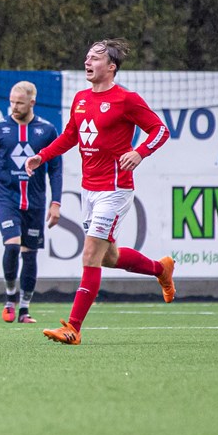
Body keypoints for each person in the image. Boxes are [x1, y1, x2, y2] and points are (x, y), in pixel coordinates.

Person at [25, 39, 174, 345]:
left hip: (115, 189)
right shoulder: (80, 99)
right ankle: (161, 269)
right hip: (89, 190)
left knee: (91, 255)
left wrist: (141, 152)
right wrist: (43, 156)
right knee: (109, 257)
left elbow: (160, 129)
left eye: (94, 58)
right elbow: (70, 136)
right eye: (86, 57)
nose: (87, 62)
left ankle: (73, 328)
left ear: (111, 67)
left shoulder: (126, 100)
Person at [0, 81, 63, 324]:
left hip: (34, 201)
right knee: (12, 246)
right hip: (7, 197)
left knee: (30, 254)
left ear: (32, 103)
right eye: (11, 101)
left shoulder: (46, 130)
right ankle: (9, 296)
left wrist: (56, 203)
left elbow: (55, 170)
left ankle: (24, 309)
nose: (13, 107)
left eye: (19, 103)